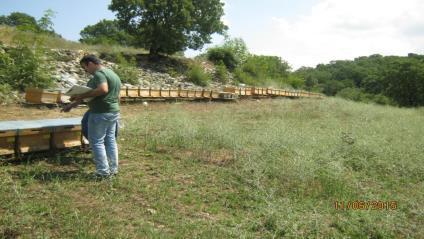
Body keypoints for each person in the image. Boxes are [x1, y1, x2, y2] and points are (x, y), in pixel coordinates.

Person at [62, 54, 121, 178]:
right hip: (113, 111)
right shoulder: (113, 74)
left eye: (85, 67)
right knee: (110, 141)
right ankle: (113, 169)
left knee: (97, 142)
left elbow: (103, 90)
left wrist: (81, 96)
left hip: (100, 113)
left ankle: (103, 172)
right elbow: (113, 95)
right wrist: (73, 104)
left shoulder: (99, 74)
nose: (86, 71)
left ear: (90, 63)